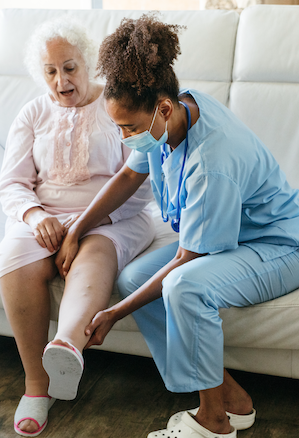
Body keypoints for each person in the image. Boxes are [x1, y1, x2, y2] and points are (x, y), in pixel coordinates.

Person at [56, 13, 299, 438]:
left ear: (163, 109)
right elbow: (130, 176)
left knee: (185, 286)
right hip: (233, 238)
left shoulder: (213, 161)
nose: (125, 136)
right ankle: (232, 398)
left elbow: (190, 259)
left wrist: (113, 314)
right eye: (118, 127)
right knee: (134, 278)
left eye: (129, 128)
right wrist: (76, 228)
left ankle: (214, 422)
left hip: (278, 245)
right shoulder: (167, 116)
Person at [0, 18, 155, 437]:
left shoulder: (117, 107)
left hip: (112, 216)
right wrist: (34, 216)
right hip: (45, 214)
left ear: (88, 64)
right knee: (14, 257)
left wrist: (81, 228)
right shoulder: (32, 112)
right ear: (40, 75)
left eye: (69, 67)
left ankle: (66, 347)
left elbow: (140, 184)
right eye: (50, 71)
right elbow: (11, 183)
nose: (61, 80)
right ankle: (36, 386)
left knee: (95, 253)